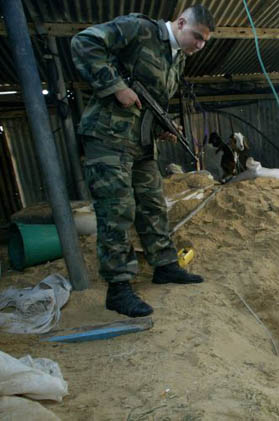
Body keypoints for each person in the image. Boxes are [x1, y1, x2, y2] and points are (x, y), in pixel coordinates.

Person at [71, 5, 215, 317]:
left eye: (205, 41)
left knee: (152, 203)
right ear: (180, 23)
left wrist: (163, 128)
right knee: (117, 209)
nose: (199, 45)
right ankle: (119, 288)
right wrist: (115, 86)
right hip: (108, 138)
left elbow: (152, 101)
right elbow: (84, 42)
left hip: (141, 144)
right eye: (197, 37)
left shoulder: (177, 60)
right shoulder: (141, 29)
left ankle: (164, 265)